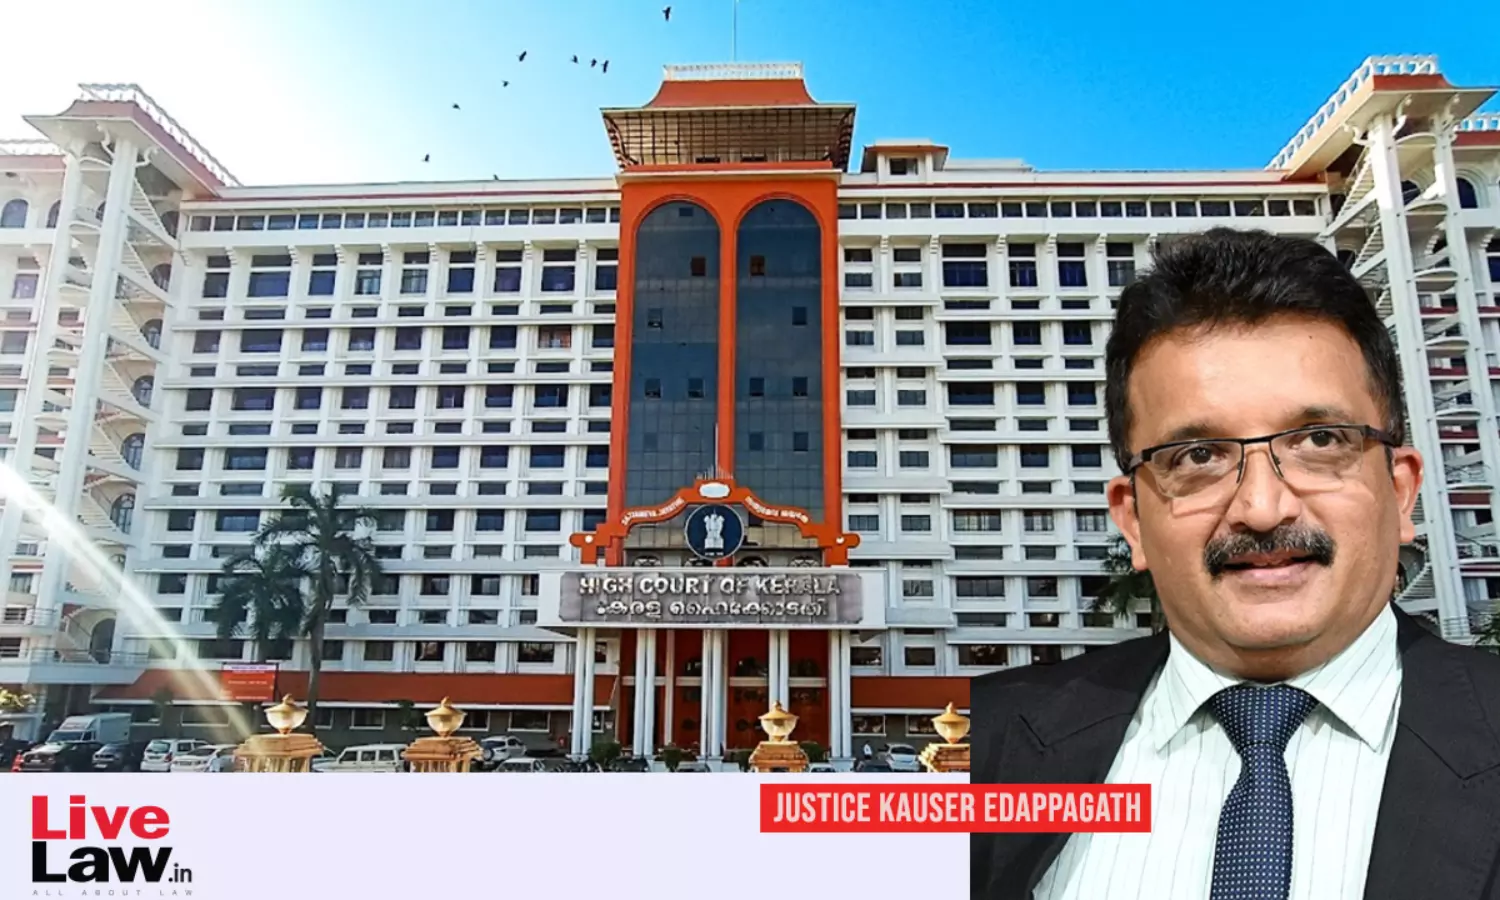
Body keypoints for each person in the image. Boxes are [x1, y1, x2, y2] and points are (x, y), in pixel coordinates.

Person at [970, 228, 1500, 900]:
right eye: (1198, 456)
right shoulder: (983, 744)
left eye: (1319, 440)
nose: (1262, 508)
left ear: (1399, 492)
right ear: (1133, 520)